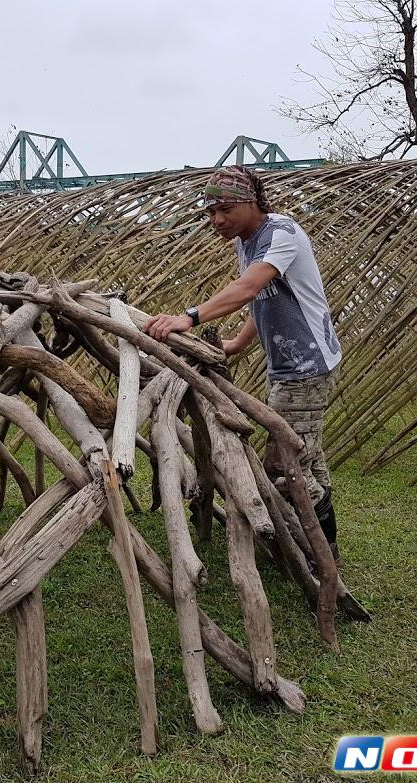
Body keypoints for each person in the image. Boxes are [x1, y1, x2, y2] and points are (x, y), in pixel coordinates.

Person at [143, 165, 342, 562]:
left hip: (307, 368)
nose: (216, 220)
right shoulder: (247, 241)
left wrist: (190, 317)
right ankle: (327, 549)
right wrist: (236, 343)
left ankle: (319, 556)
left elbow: (249, 286)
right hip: (288, 368)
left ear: (251, 202)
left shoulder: (281, 234)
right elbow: (260, 296)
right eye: (210, 212)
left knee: (284, 467)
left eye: (225, 209)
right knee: (306, 456)